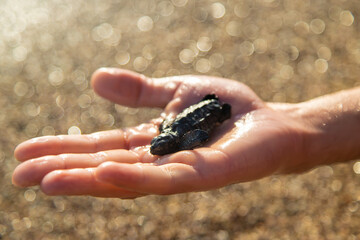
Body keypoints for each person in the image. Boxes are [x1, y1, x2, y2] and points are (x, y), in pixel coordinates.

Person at [12, 68, 360, 198]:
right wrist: (302, 127)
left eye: (159, 147)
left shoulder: (181, 135)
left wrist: (300, 128)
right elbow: (179, 134)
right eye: (159, 146)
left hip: (206, 113)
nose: (158, 148)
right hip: (200, 116)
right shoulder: (171, 133)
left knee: (207, 118)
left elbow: (198, 133)